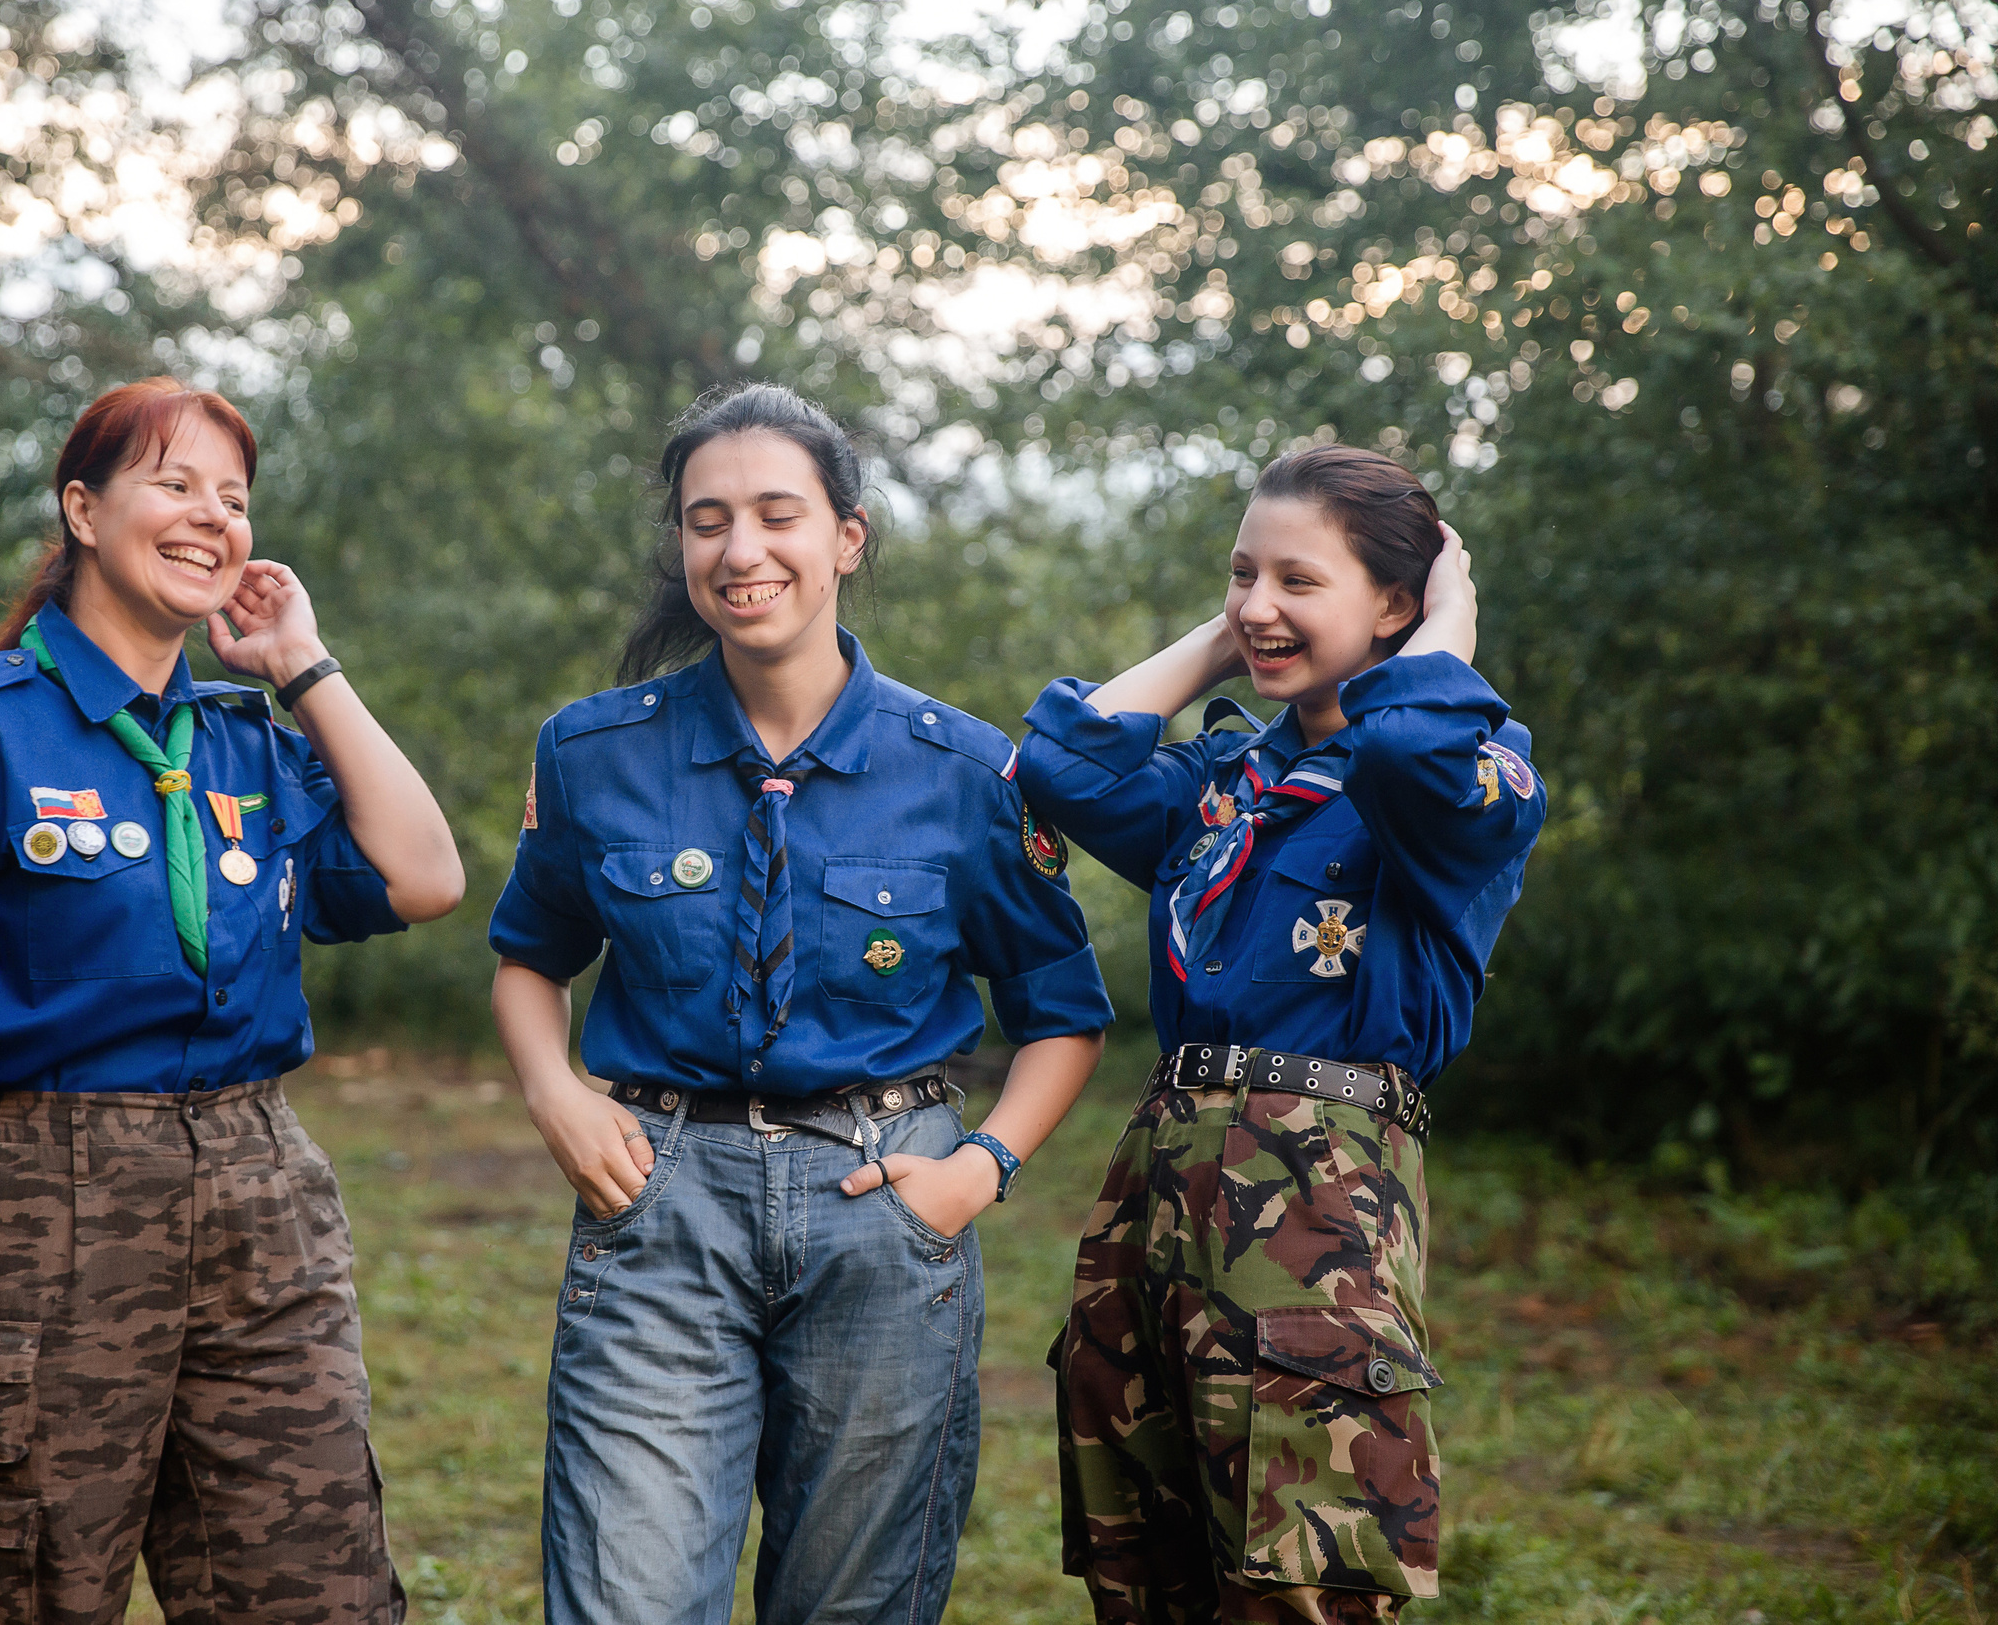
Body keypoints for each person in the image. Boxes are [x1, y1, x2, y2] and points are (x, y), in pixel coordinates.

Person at [0, 377, 462, 1625]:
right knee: (26, 1586)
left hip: (259, 1197)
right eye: (173, 484)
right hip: (39, 1204)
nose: (212, 518)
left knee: (314, 1587)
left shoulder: (244, 742)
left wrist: (306, 668)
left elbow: (422, 875)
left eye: (234, 497)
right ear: (82, 511)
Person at [488, 383, 1115, 1625]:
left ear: (846, 537)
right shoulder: (592, 751)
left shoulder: (966, 770)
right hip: (657, 1203)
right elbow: (527, 955)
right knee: (627, 1598)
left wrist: (979, 1169)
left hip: (887, 1211)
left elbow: (1061, 1011)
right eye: (705, 519)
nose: (740, 550)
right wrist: (557, 1094)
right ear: (680, 546)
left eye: (778, 514)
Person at [1020, 444, 1545, 1625]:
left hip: (1318, 1200)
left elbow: (1409, 749)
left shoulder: (1474, 775)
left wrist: (1446, 626)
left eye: (1298, 582)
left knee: (1302, 1583)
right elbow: (1058, 764)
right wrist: (1237, 639)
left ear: (1397, 605)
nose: (1259, 603)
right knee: (1142, 1568)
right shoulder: (1225, 782)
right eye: (1240, 574)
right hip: (1155, 1191)